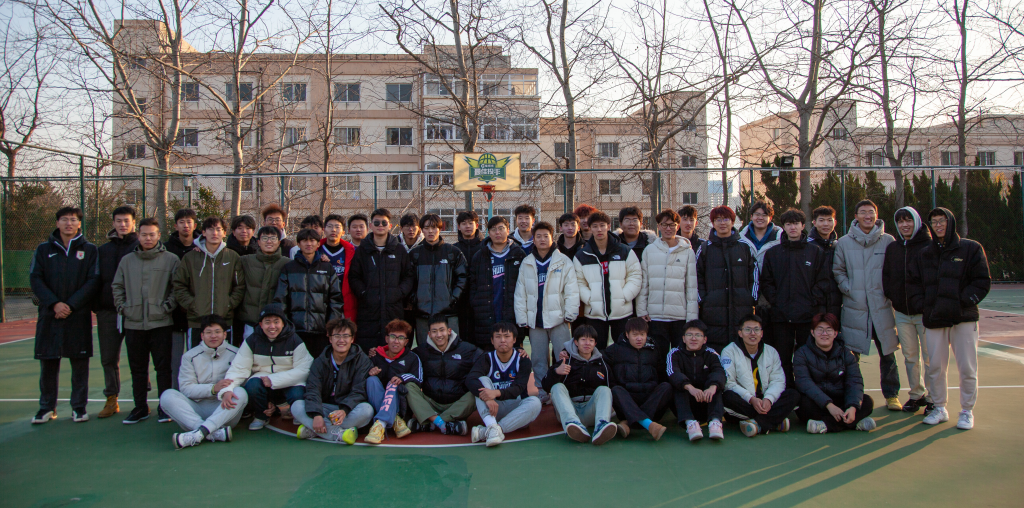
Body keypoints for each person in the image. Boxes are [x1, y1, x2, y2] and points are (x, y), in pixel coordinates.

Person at [909, 207, 991, 430]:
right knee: (935, 367)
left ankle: (967, 411)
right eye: (934, 222)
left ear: (950, 222)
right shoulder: (924, 254)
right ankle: (939, 408)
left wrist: (960, 302)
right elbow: (913, 283)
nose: (938, 225)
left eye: (942, 221)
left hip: (963, 319)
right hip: (934, 319)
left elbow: (982, 281)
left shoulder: (971, 248)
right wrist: (923, 305)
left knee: (967, 368)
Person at [29, 207, 99, 425]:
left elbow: (93, 280)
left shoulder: (90, 250)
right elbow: (35, 278)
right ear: (57, 223)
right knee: (48, 363)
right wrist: (54, 304)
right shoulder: (43, 249)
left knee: (79, 364)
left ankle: (79, 407)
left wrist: (70, 305)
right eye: (64, 219)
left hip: (77, 315)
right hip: (50, 315)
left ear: (79, 223)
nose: (69, 223)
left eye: (73, 219)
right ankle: (46, 407)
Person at [833, 199, 901, 411]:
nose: (867, 216)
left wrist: (887, 291)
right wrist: (849, 289)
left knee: (888, 354)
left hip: (882, 308)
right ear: (856, 216)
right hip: (855, 308)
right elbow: (838, 270)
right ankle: (854, 396)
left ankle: (892, 395)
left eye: (871, 212)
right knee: (853, 358)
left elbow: (894, 271)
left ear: (876, 215)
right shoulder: (843, 243)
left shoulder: (888, 241)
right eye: (863, 212)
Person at [111, 217, 180, 425]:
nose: (148, 238)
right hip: (133, 324)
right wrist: (123, 308)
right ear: (138, 235)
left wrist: (166, 307)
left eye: (152, 234)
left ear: (159, 235)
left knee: (163, 369)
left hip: (161, 323)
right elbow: (117, 286)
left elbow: (177, 288)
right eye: (144, 234)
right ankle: (140, 407)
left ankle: (165, 408)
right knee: (138, 369)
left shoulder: (171, 259)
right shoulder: (127, 261)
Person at [759, 208, 830, 382]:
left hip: (808, 316)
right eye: (789, 224)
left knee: (807, 356)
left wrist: (812, 301)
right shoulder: (773, 253)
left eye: (796, 224)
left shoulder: (815, 252)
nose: (793, 227)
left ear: (803, 226)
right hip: (781, 317)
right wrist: (777, 301)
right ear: (783, 227)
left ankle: (806, 389)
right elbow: (766, 282)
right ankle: (787, 390)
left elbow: (823, 281)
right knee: (783, 358)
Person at [219, 304, 313, 431]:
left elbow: (304, 370)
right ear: (261, 324)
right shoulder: (252, 340)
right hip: (262, 379)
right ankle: (261, 415)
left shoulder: (295, 340)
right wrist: (227, 390)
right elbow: (239, 368)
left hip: (289, 380)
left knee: (298, 393)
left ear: (283, 323)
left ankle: (294, 412)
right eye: (267, 322)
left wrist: (274, 380)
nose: (272, 326)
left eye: (276, 322)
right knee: (252, 386)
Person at [515, 221, 580, 404]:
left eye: (546, 236)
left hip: (559, 319)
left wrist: (570, 314)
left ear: (552, 238)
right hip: (535, 321)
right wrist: (522, 318)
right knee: (538, 359)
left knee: (563, 356)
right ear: (533, 239)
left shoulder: (563, 261)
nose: (542, 239)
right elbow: (520, 293)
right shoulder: (527, 262)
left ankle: (564, 389)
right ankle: (542, 390)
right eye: (538, 236)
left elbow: (572, 290)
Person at [160, 315, 246, 448]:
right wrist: (213, 388)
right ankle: (209, 432)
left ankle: (199, 433)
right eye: (208, 332)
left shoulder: (237, 354)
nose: (213, 336)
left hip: (224, 410)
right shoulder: (189, 356)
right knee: (167, 395)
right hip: (196, 410)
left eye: (217, 332)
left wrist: (224, 391)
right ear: (202, 335)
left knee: (241, 392)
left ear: (225, 334)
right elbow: (186, 389)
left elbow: (242, 381)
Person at [883, 206, 933, 413]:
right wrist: (895, 298)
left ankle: (933, 397)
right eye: (901, 221)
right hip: (903, 314)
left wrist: (926, 304)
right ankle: (916, 395)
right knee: (910, 356)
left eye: (908, 220)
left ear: (917, 221)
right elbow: (887, 276)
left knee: (930, 358)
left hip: (926, 314)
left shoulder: (929, 246)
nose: (905, 225)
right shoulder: (893, 248)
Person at [293, 317, 373, 444]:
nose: (341, 340)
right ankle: (338, 433)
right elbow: (313, 389)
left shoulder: (362, 360)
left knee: (367, 410)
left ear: (352, 339)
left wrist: (344, 410)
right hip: (324, 408)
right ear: (330, 339)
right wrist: (316, 414)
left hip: (347, 409)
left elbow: (359, 391)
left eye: (346, 336)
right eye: (337, 336)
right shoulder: (320, 361)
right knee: (296, 406)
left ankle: (315, 430)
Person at [794, 313, 876, 433]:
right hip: (818, 402)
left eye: (829, 330)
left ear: (835, 333)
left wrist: (852, 407)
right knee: (803, 405)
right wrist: (829, 405)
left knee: (867, 402)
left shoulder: (846, 353)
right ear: (812, 332)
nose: (824, 334)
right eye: (820, 330)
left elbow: (854, 381)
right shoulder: (802, 353)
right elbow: (804, 383)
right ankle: (853, 423)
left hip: (841, 400)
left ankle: (825, 425)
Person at [172, 217, 246, 351]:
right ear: (204, 232)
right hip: (197, 321)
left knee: (225, 360)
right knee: (196, 359)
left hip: (224, 320)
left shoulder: (232, 257)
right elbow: (179, 285)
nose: (215, 233)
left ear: (224, 233)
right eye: (211, 229)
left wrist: (228, 304)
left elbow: (239, 286)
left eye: (218, 229)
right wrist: (192, 305)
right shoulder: (190, 257)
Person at [721, 314, 800, 437]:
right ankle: (774, 420)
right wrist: (751, 399)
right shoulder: (729, 351)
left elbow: (778, 381)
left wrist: (769, 399)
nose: (752, 333)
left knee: (793, 394)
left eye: (756, 329)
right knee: (727, 396)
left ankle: (758, 423)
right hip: (745, 402)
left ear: (762, 333)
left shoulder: (771, 351)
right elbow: (729, 383)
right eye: (748, 329)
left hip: (766, 402)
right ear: (740, 333)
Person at [348, 208, 415, 351]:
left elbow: (408, 276)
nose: (380, 226)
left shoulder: (399, 250)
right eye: (376, 222)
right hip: (368, 310)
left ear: (390, 226)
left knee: (393, 348)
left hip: (393, 309)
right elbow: (354, 276)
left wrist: (399, 293)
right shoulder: (362, 250)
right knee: (369, 350)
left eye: (384, 223)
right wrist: (364, 293)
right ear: (370, 226)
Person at [94, 205, 138, 419]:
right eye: (118, 221)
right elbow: (95, 279)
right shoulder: (102, 250)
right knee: (109, 358)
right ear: (113, 223)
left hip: (134, 312)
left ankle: (141, 400)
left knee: (138, 357)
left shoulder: (141, 246)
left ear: (133, 223)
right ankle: (112, 399)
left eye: (126, 220)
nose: (122, 224)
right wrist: (98, 305)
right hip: (108, 312)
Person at [574, 211, 642, 350]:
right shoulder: (582, 255)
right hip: (595, 313)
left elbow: (635, 276)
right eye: (595, 226)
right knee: (597, 351)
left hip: (622, 312)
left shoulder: (624, 251)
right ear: (590, 228)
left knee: (624, 350)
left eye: (602, 225)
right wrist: (590, 299)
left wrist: (624, 296)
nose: (599, 229)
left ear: (609, 226)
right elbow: (579, 282)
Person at [467, 323, 543, 447]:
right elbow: (470, 379)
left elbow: (518, 388)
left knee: (535, 402)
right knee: (482, 380)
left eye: (507, 336)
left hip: (518, 413)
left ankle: (491, 430)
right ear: (492, 340)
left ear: (514, 340)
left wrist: (495, 393)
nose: (502, 340)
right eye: (498, 336)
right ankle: (492, 425)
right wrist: (488, 398)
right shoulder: (486, 358)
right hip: (493, 409)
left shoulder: (522, 360)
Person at [637, 209, 698, 359]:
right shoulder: (649, 250)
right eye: (664, 225)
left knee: (680, 358)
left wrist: (691, 319)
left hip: (679, 317)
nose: (668, 228)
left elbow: (691, 287)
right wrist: (642, 311)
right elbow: (644, 284)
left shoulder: (687, 252)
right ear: (658, 226)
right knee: (657, 358)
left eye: (672, 225)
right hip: (655, 317)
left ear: (678, 226)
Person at [541, 325, 617, 445]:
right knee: (557, 387)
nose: (587, 343)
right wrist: (556, 372)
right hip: (569, 410)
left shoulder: (602, 365)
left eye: (591, 340)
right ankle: (573, 424)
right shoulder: (565, 361)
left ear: (595, 343)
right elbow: (546, 386)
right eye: (583, 339)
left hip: (591, 410)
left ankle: (601, 425)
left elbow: (611, 389)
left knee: (605, 389)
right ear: (576, 342)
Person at [274, 228, 344, 357]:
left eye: (312, 240)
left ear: (318, 244)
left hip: (321, 331)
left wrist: (331, 325)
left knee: (319, 364)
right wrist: (285, 326)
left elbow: (336, 299)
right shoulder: (289, 268)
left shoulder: (327, 268)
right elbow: (280, 299)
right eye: (304, 240)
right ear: (298, 244)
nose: (308, 244)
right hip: (295, 330)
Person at [696, 205, 756, 353]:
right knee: (716, 353)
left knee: (741, 351)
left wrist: (750, 298)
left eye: (726, 219)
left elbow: (754, 275)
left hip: (741, 309)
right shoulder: (705, 248)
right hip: (713, 312)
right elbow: (697, 277)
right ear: (713, 223)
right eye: (718, 219)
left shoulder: (745, 247)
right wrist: (704, 299)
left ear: (732, 222)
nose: (722, 223)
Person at [407, 315, 479, 435]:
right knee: (408, 386)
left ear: (449, 331)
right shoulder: (421, 351)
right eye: (434, 331)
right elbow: (401, 356)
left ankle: (431, 422)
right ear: (429, 334)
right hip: (430, 403)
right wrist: (378, 353)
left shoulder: (467, 349)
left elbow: (487, 361)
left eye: (442, 330)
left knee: (479, 391)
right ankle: (446, 424)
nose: (439, 335)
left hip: (457, 405)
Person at [603, 317, 671, 440]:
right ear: (627, 335)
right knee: (616, 390)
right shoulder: (615, 349)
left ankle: (628, 422)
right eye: (635, 335)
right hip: (627, 400)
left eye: (642, 334)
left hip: (650, 399)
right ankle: (649, 424)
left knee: (666, 387)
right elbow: (597, 359)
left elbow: (662, 371)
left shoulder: (653, 349)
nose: (639, 338)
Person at [469, 216, 528, 351]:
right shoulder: (479, 256)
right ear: (488, 232)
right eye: (493, 229)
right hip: (486, 313)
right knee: (488, 354)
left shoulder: (518, 254)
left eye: (501, 228)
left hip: (512, 312)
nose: (497, 232)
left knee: (513, 352)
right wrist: (475, 302)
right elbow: (473, 284)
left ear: (508, 230)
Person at [409, 214, 467, 344]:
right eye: (427, 228)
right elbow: (408, 280)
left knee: (451, 348)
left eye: (434, 227)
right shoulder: (415, 254)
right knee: (424, 350)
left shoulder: (453, 252)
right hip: (422, 314)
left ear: (440, 229)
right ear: (421, 230)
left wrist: (453, 298)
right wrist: (414, 299)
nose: (430, 231)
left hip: (448, 313)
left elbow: (462, 277)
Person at [666, 319, 726, 441]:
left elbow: (720, 372)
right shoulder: (674, 353)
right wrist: (690, 387)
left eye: (698, 335)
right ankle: (690, 424)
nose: (693, 338)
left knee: (716, 385)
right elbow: (673, 373)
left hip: (706, 401)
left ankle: (715, 423)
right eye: (689, 335)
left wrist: (712, 387)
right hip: (684, 405)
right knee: (678, 386)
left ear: (705, 339)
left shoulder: (712, 354)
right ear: (683, 338)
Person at [364, 319, 421, 444]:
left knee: (394, 382)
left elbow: (419, 379)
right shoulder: (375, 356)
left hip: (401, 404)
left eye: (401, 338)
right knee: (371, 380)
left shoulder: (412, 358)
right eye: (393, 337)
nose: (396, 341)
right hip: (377, 403)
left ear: (406, 342)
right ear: (386, 339)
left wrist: (402, 377)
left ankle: (380, 424)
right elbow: (362, 379)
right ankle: (394, 420)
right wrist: (370, 372)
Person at [166, 208, 200, 391]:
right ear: (175, 225)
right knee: (175, 361)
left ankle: (196, 394)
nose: (185, 225)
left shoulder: (203, 247)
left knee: (197, 360)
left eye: (189, 222)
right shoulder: (167, 248)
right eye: (182, 222)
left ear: (195, 225)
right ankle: (175, 395)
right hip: (175, 313)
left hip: (197, 312)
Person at [238, 227, 290, 340]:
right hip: (250, 321)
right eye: (265, 238)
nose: (269, 241)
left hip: (275, 323)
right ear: (258, 242)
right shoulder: (245, 261)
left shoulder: (287, 263)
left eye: (273, 238)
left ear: (279, 242)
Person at [808, 206, 842, 321]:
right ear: (814, 222)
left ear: (835, 223)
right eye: (821, 220)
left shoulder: (839, 246)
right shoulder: (807, 247)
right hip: (813, 304)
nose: (826, 224)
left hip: (836, 302)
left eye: (829, 220)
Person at [321, 214, 357, 320]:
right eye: (330, 226)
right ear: (324, 230)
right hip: (321, 300)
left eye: (337, 227)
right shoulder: (316, 250)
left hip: (343, 301)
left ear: (343, 232)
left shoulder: (350, 252)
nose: (333, 230)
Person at [455, 210, 484, 337]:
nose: (467, 226)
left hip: (480, 298)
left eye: (470, 223)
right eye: (464, 223)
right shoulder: (453, 249)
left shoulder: (485, 247)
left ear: (476, 225)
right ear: (458, 226)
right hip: (459, 299)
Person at [739, 200, 782, 269]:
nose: (760, 218)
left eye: (764, 215)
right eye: (757, 214)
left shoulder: (779, 239)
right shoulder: (741, 239)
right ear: (751, 217)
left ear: (770, 218)